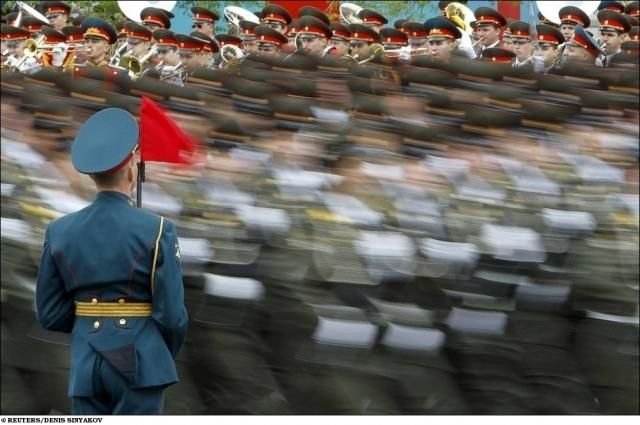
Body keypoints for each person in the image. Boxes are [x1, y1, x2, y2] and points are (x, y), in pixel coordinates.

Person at [35, 107, 189, 415]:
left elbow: (50, 314)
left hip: (85, 363)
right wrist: (158, 352)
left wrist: (91, 325)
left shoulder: (59, 230)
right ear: (131, 171)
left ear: (91, 175)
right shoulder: (158, 229)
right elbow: (172, 315)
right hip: (141, 360)